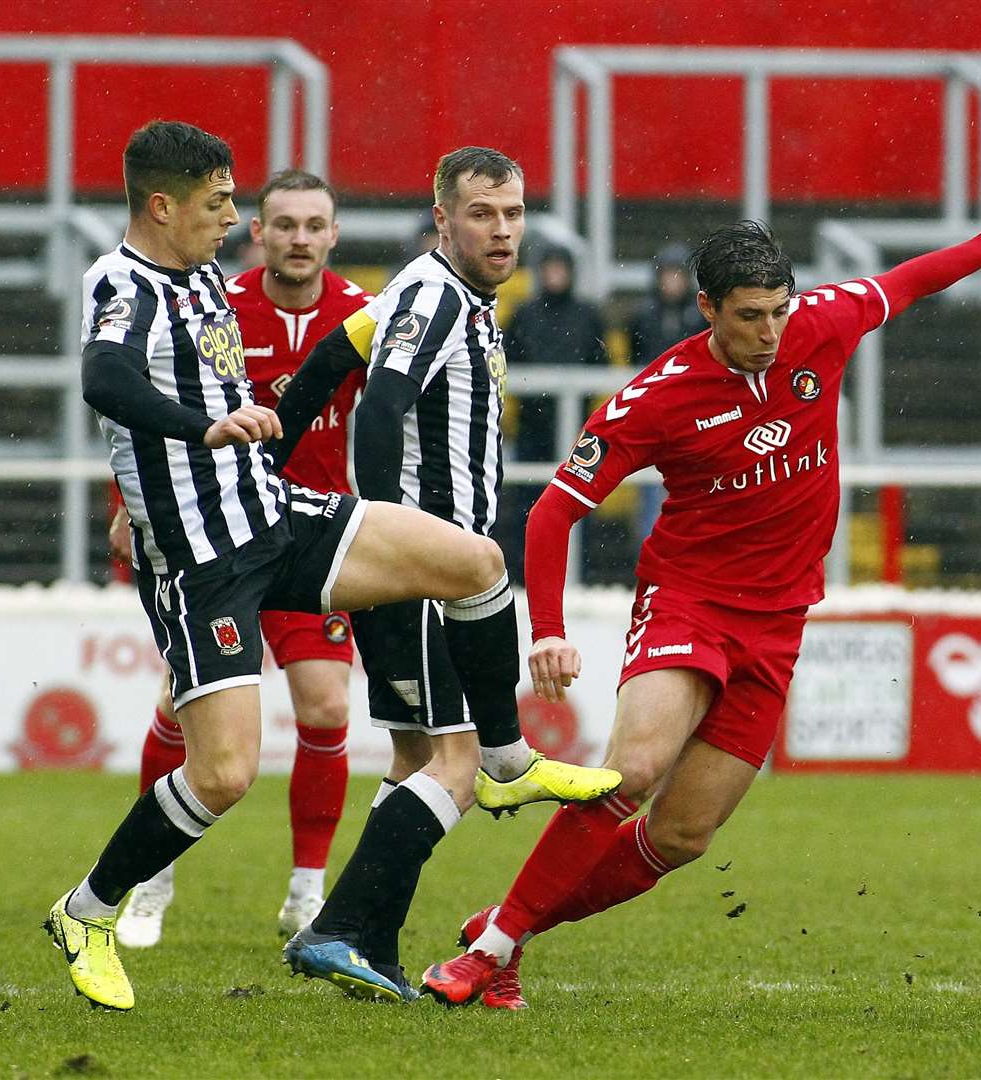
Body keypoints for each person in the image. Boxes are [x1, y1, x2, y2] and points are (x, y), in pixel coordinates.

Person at [416, 196, 981, 1009]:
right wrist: (547, 631)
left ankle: (509, 927)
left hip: (779, 623)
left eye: (781, 311)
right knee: (634, 768)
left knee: (681, 836)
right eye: (751, 316)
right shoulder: (658, 394)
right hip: (689, 603)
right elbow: (553, 510)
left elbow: (909, 281)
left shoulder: (823, 322)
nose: (772, 331)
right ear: (707, 307)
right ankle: (490, 958)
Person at [44, 121, 619, 1014]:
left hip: (274, 513)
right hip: (203, 558)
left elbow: (322, 361)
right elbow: (104, 379)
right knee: (226, 774)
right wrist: (199, 434)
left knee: (473, 560)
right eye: (219, 202)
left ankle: (503, 759)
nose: (236, 217)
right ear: (162, 205)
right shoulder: (119, 282)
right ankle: (90, 910)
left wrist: (271, 427)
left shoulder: (204, 278)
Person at [269, 146, 616, 1002]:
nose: (501, 231)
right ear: (442, 218)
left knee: (417, 757)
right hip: (431, 571)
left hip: (417, 565)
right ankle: (340, 928)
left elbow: (325, 364)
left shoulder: (430, 295)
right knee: (460, 765)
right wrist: (394, 535)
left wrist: (267, 451)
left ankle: (369, 946)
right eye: (481, 214)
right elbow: (381, 403)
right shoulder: (432, 294)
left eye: (512, 213)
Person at [109, 169, 373, 949]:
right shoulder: (217, 305)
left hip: (313, 537)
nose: (298, 237)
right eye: (282, 223)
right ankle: (151, 880)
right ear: (257, 233)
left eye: (312, 224)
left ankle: (306, 893)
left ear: (332, 235)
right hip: (216, 534)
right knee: (179, 710)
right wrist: (127, 501)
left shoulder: (362, 316)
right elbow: (147, 401)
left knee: (326, 707)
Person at [497, 242, 612, 575]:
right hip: (533, 428)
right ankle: (523, 572)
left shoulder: (588, 315)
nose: (556, 274)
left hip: (579, 428)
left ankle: (581, 571)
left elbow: (599, 365)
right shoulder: (524, 313)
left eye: (561, 267)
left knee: (578, 498)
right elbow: (508, 364)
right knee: (528, 502)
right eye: (550, 267)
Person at [626, 242, 707, 366]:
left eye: (678, 276)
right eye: (668, 275)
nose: (673, 282)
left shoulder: (702, 312)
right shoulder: (644, 314)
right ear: (658, 278)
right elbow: (634, 353)